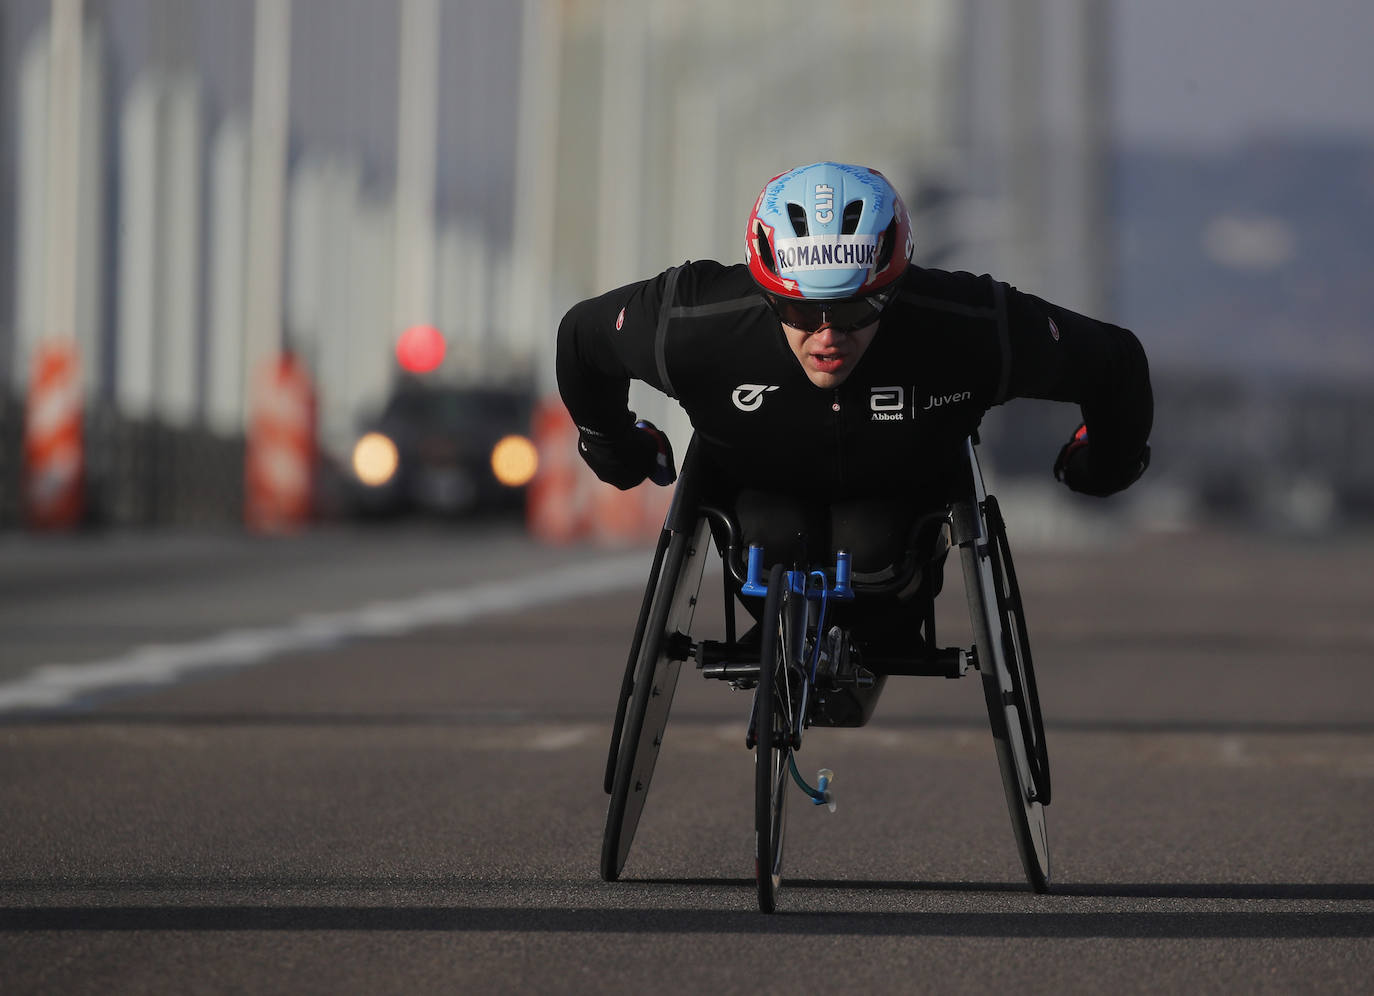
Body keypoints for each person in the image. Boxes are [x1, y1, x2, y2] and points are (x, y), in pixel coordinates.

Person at [556, 161, 1151, 678]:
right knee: (772, 533)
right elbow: (583, 338)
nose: (828, 335)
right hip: (760, 520)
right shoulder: (693, 319)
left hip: (897, 533)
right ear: (765, 290)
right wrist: (611, 445)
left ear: (894, 288)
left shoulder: (970, 327)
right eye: (800, 309)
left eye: (856, 308)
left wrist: (1107, 465)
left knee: (868, 544)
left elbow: (1115, 362)